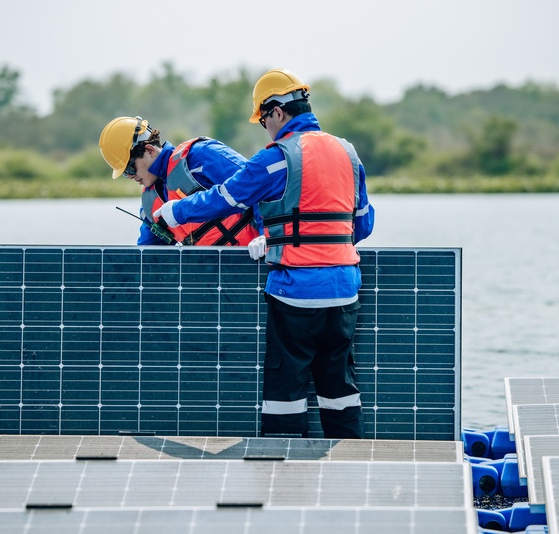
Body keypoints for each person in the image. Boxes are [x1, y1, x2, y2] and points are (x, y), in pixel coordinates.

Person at [152, 69, 375, 439]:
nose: (266, 130)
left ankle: (282, 472)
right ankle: (348, 464)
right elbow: (363, 226)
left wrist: (173, 211)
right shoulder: (348, 153)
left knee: (285, 391)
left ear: (276, 112)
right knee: (338, 387)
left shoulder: (278, 158)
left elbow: (225, 197)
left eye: (263, 121)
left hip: (296, 294)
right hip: (346, 291)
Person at [99, 116, 259, 246]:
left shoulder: (202, 156)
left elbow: (258, 186)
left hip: (259, 262)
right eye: (125, 174)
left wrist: (267, 237)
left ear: (149, 150)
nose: (130, 176)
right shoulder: (151, 207)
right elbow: (147, 259)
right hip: (215, 279)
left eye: (129, 169)